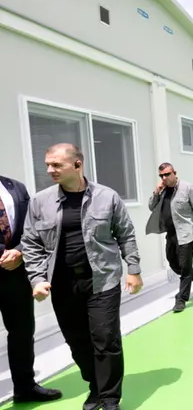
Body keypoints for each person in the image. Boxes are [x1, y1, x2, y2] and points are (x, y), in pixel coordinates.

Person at [22, 143, 143, 410]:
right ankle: (96, 387)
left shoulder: (107, 197)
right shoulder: (40, 201)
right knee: (77, 342)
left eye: (56, 165)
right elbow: (31, 243)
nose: (49, 170)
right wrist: (37, 279)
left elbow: (125, 234)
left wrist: (133, 269)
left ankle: (110, 398)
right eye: (47, 165)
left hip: (102, 280)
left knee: (106, 340)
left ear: (77, 164)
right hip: (63, 283)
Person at [0, 175, 63, 404]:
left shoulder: (15, 187)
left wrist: (19, 251)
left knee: (22, 331)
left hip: (15, 272)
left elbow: (32, 225)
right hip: (5, 261)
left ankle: (25, 388)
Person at [146, 162, 193, 312]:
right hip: (171, 234)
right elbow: (151, 207)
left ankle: (181, 299)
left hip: (186, 233)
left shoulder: (188, 188)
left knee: (185, 268)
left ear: (174, 173)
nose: (164, 178)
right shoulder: (162, 191)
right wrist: (156, 192)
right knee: (173, 263)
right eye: (161, 175)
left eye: (167, 174)